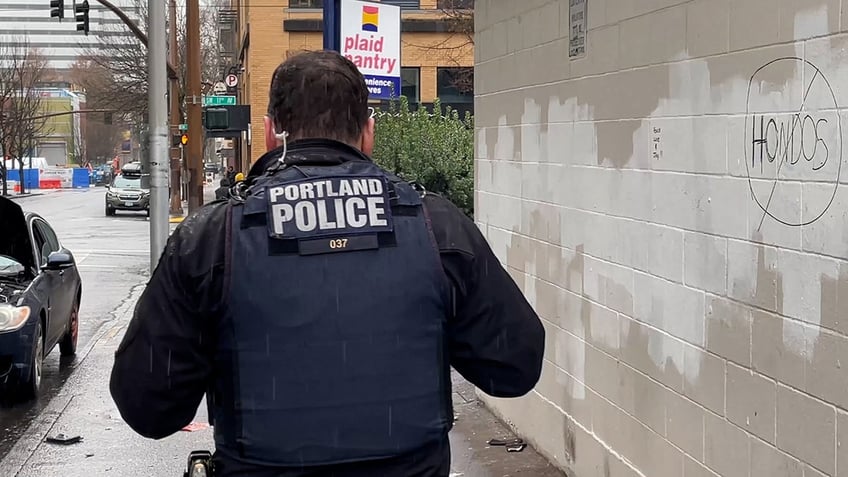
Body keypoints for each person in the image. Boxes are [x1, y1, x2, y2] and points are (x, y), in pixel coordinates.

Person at [109, 50, 545, 477]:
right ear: (368, 132)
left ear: (269, 133)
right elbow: (515, 365)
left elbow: (147, 406)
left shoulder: (209, 239)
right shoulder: (435, 226)